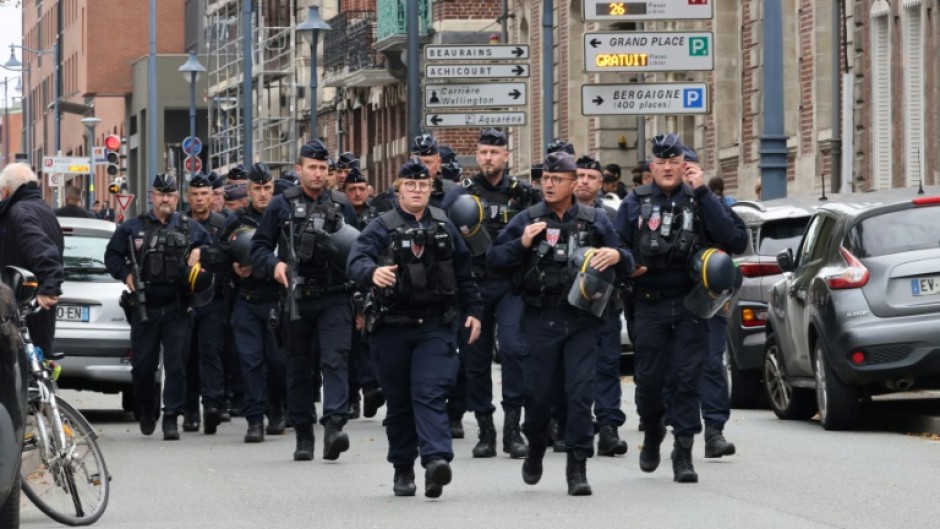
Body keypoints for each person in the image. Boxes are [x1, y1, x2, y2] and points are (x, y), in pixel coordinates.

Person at [487, 151, 634, 496]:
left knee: (581, 394)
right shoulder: (528, 217)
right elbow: (494, 259)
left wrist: (616, 255)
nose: (549, 185)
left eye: (557, 180)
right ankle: (536, 446)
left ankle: (577, 467)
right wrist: (522, 243)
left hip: (582, 319)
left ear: (572, 184)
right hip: (540, 318)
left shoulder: (595, 219)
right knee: (538, 397)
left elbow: (628, 259)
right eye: (545, 180)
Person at [613, 134, 746, 483]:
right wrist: (627, 263)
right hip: (649, 304)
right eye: (662, 162)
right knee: (650, 382)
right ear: (652, 167)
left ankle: (683, 452)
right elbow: (615, 245)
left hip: (691, 304)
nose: (668, 168)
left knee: (688, 378)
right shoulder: (635, 202)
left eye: (675, 162)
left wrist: (702, 191)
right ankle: (653, 430)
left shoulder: (701, 199)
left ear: (685, 164)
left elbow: (734, 240)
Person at [347, 158, 483, 498]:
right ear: (399, 189)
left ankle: (436, 461)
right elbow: (357, 258)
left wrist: (475, 311)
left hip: (436, 324)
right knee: (400, 401)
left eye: (423, 186)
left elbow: (464, 272)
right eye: (410, 185)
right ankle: (403, 468)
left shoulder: (444, 223)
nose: (417, 191)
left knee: (430, 392)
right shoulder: (382, 225)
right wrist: (371, 274)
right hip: (392, 326)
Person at [250, 139, 358, 462]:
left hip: (335, 295)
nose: (318, 173)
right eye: (312, 167)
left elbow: (361, 249)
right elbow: (258, 248)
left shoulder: (341, 204)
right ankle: (303, 433)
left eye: (324, 168)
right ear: (299, 170)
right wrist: (276, 265)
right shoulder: (281, 205)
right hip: (297, 295)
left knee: (335, 360)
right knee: (298, 368)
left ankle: (334, 426)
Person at [441, 128, 538, 459]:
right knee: (474, 359)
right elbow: (448, 242)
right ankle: (486, 431)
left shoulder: (524, 194)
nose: (488, 158)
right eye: (483, 152)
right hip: (474, 286)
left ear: (506, 157)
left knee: (513, 350)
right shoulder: (459, 195)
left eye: (494, 153)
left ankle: (513, 429)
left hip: (512, 285)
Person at [104, 174, 211, 440]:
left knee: (176, 365)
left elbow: (215, 252)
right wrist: (127, 274)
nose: (165, 199)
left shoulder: (190, 228)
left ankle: (172, 417)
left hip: (177, 307)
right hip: (145, 307)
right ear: (152, 196)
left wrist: (203, 254)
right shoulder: (133, 228)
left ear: (177, 197)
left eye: (170, 194)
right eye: (160, 194)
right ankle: (147, 407)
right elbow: (111, 256)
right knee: (142, 367)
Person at [204, 162, 287, 442]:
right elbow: (217, 255)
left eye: (267, 188)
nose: (262, 194)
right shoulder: (236, 221)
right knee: (250, 361)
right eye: (257, 189)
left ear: (273, 189)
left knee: (277, 362)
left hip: (278, 299)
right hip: (247, 301)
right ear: (248, 191)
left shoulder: (285, 218)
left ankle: (276, 408)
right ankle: (254, 420)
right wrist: (233, 269)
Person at [682, 147, 746, 459]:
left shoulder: (712, 202)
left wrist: (703, 193)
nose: (682, 173)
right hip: (669, 297)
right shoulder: (647, 204)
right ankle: (670, 427)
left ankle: (714, 432)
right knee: (670, 367)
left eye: (688, 168)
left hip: (708, 297)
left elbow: (736, 240)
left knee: (711, 362)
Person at [574, 154, 628, 457]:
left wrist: (619, 258)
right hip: (566, 308)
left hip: (605, 303)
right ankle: (569, 422)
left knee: (607, 366)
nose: (584, 181)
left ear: (600, 183)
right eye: (579, 175)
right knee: (572, 370)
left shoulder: (611, 214)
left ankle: (608, 427)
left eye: (590, 177)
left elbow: (627, 255)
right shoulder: (555, 214)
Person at [181, 173, 228, 435]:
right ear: (189, 197)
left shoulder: (223, 224)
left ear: (212, 196)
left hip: (214, 298)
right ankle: (190, 411)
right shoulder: (180, 223)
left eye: (204, 194)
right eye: (195, 194)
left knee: (211, 352)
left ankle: (212, 405)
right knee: (188, 354)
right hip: (187, 300)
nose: (199, 199)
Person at [0, 163, 64, 358]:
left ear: (6, 190)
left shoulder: (19, 214)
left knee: (16, 377)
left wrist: (50, 286)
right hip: (37, 314)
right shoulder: (43, 209)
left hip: (21, 308)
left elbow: (43, 251)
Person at [343, 167, 385, 420]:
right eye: (352, 190)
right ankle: (350, 399)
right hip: (344, 284)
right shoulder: (338, 216)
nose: (357, 193)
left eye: (361, 188)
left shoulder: (377, 217)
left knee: (368, 340)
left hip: (370, 283)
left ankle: (371, 389)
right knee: (346, 345)